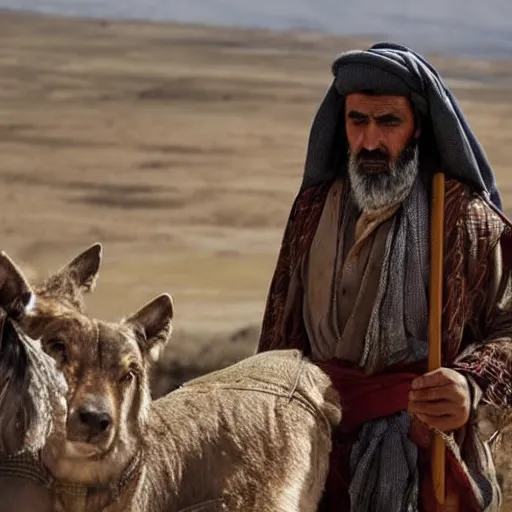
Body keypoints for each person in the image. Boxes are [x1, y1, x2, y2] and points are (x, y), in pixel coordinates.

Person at [256, 42, 512, 511]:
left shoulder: (465, 220)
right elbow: (280, 327)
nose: (370, 141)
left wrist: (469, 386)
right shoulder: (313, 209)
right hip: (308, 439)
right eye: (358, 121)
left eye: (389, 122)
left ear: (418, 127)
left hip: (422, 448)